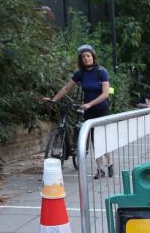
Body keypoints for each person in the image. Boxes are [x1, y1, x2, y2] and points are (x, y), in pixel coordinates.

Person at [47, 45, 113, 179]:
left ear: (93, 57)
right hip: (88, 110)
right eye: (83, 57)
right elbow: (66, 88)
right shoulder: (80, 74)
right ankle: (100, 169)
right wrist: (54, 99)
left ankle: (110, 163)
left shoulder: (101, 72)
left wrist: (90, 104)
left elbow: (105, 94)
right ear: (81, 60)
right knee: (94, 139)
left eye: (88, 56)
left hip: (101, 109)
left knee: (103, 138)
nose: (86, 58)